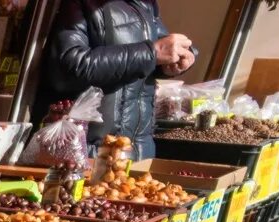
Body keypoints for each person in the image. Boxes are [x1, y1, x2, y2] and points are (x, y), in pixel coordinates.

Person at [40, 0, 198, 158]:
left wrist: (174, 60)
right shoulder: (80, 4)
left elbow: (156, 49)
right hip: (90, 149)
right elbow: (69, 67)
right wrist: (152, 53)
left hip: (138, 149)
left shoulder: (146, 3)